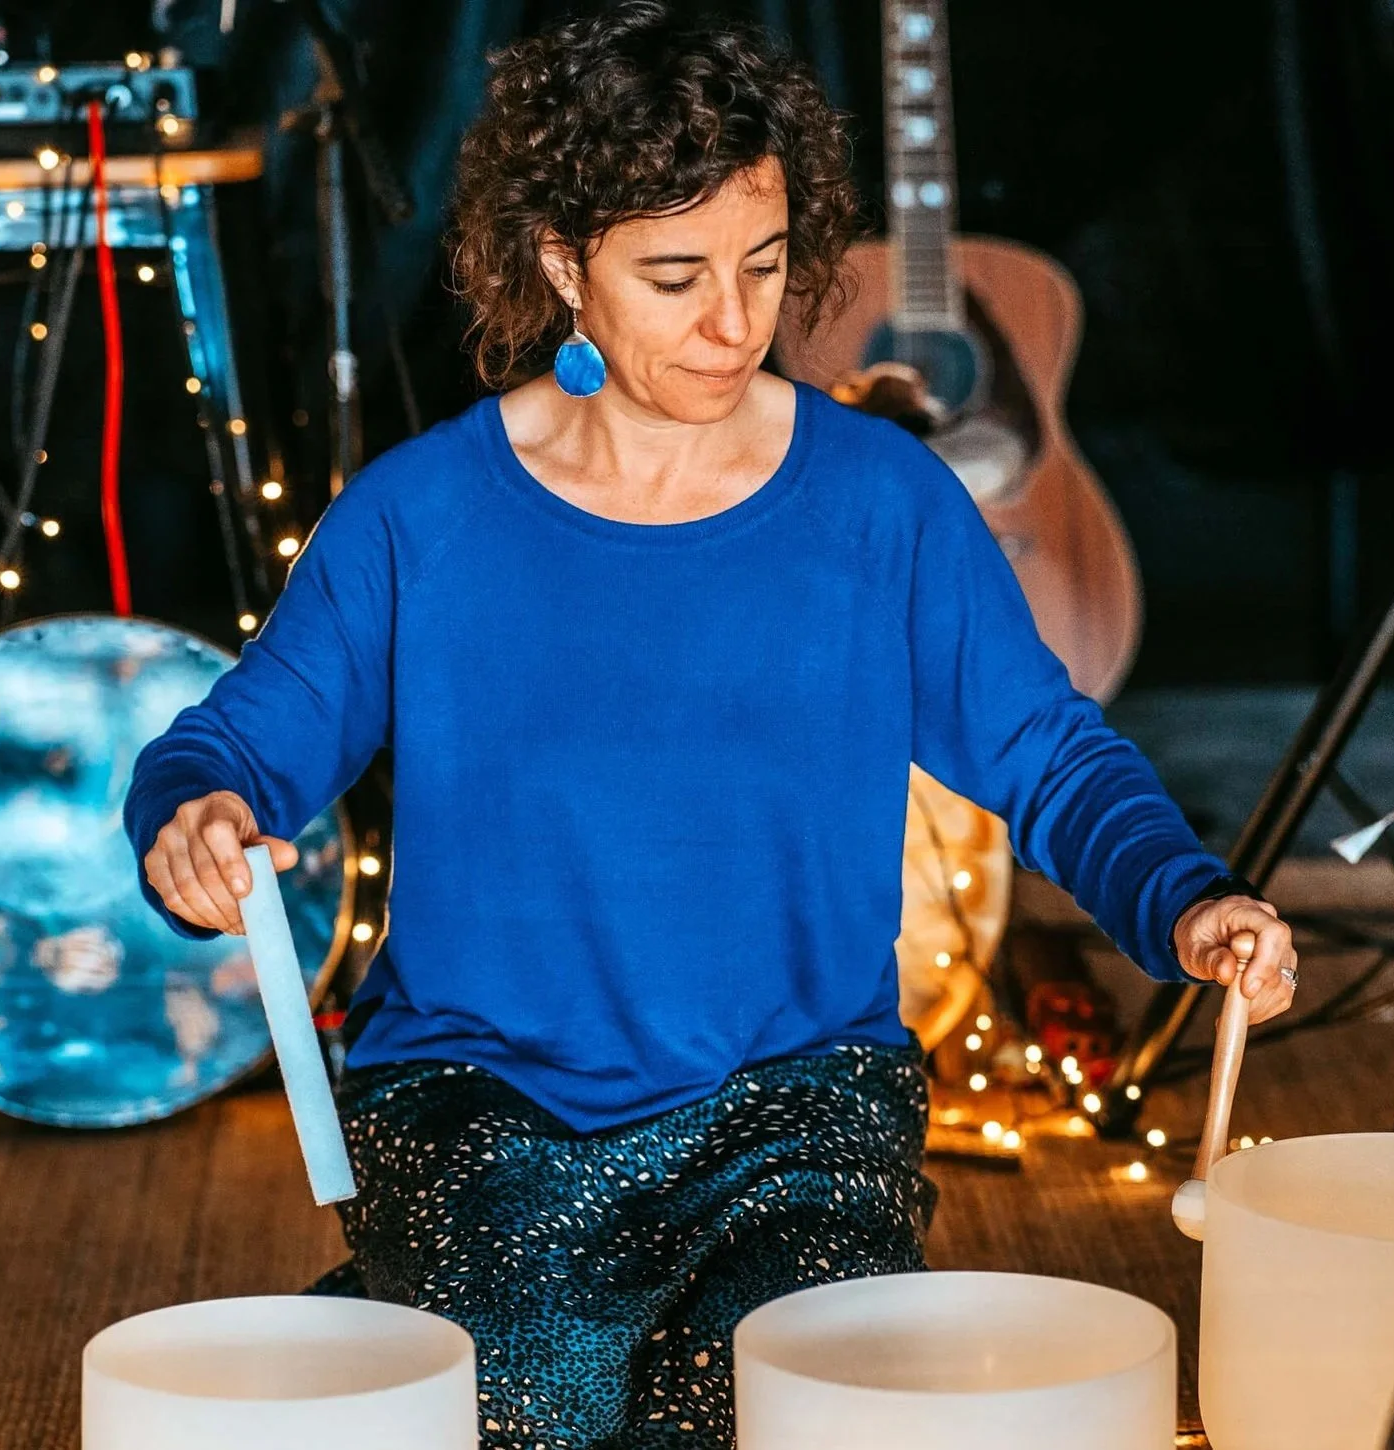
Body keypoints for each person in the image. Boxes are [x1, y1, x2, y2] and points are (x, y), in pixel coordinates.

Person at [126, 7, 1295, 1445]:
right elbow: (235, 749)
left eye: (764, 263)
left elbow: (1050, 755)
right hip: (482, 1099)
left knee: (760, 1410)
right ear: (564, 264)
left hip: (800, 1106)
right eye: (674, 277)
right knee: (531, 1403)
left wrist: (1184, 897)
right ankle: (417, 1333)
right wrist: (193, 814)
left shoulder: (880, 500)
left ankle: (405, 1340)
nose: (735, 324)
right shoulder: (419, 517)